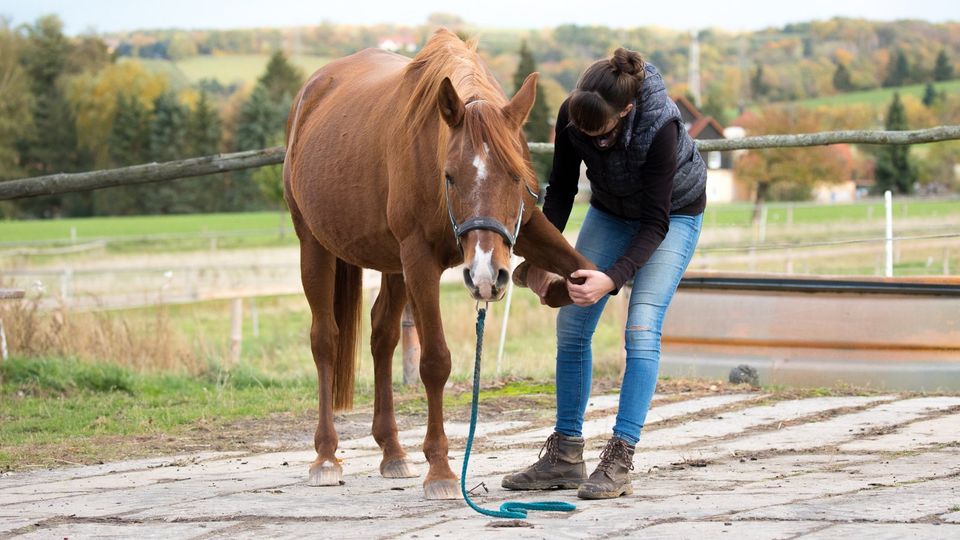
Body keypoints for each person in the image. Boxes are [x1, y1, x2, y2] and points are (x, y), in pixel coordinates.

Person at [502, 48, 707, 499]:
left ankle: (620, 455)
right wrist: (539, 257)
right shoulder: (575, 115)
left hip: (672, 216)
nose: (596, 143)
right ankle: (565, 454)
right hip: (611, 211)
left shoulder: (663, 129)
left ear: (627, 111)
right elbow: (560, 192)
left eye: (605, 135)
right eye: (587, 135)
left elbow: (656, 223)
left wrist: (610, 279)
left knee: (641, 327)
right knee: (572, 323)